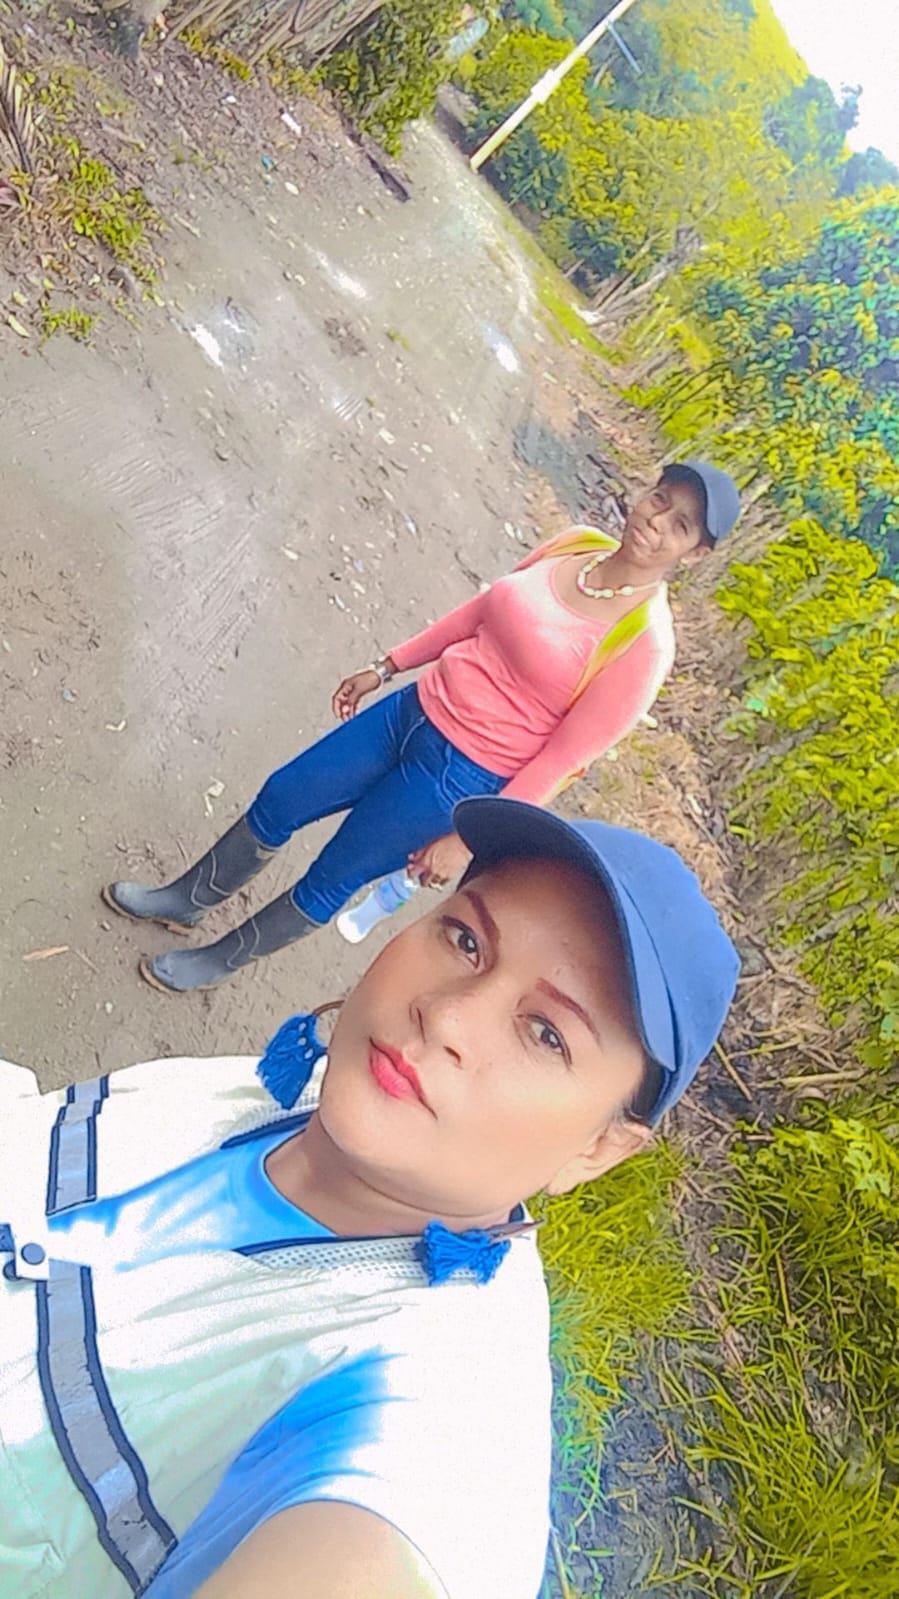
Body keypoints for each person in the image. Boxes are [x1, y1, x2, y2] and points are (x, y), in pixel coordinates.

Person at [2, 796, 738, 1599]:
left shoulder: (433, 1418)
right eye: (465, 939)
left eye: (545, 1033)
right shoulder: (307, 1091)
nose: (447, 1014)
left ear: (598, 1148)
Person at [103, 460, 740, 992]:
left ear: (695, 553)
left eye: (680, 525)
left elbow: (559, 762)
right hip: (410, 711)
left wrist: (468, 837)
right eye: (660, 499)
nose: (656, 521)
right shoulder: (575, 544)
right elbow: (482, 610)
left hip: (458, 777)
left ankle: (218, 961)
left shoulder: (642, 646)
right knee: (283, 795)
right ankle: (186, 899)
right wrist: (388, 666)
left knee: (332, 877)